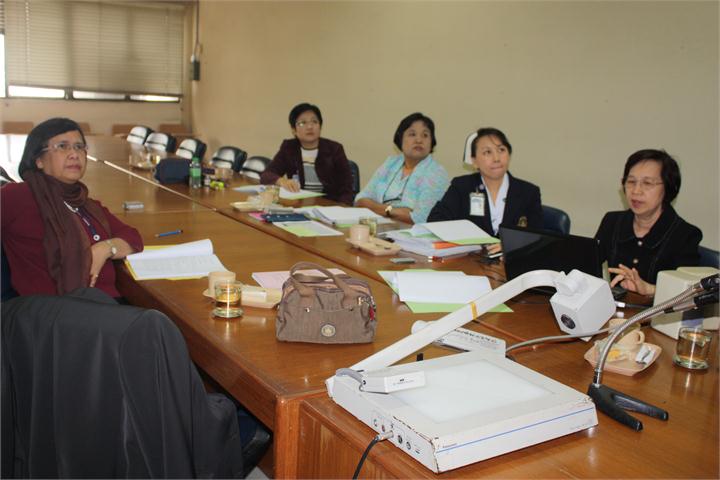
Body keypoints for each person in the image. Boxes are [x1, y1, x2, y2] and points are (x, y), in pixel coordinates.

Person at [1, 118, 143, 298]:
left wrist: (105, 248)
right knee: (150, 316)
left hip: (100, 303)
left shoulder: (86, 204)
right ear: (39, 160)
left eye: (79, 147)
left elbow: (132, 237)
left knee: (151, 313)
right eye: (62, 146)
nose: (74, 154)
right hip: (49, 306)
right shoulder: (18, 196)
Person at [595, 149, 702, 296]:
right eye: (631, 182)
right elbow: (590, 268)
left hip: (658, 311)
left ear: (668, 188)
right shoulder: (612, 221)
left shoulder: (685, 235)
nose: (636, 190)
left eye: (647, 183)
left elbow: (689, 294)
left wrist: (650, 289)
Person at [427, 127, 542, 253]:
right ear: (474, 161)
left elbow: (537, 235)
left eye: (501, 150)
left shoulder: (528, 192)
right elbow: (436, 220)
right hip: (470, 259)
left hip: (512, 260)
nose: (496, 158)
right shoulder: (462, 186)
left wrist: (510, 245)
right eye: (487, 152)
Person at [355, 112, 449, 224]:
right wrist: (391, 210)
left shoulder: (437, 173)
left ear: (431, 142)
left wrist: (377, 208)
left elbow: (419, 218)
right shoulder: (391, 163)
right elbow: (360, 200)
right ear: (400, 139)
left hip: (411, 233)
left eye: (425, 135)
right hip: (379, 226)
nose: (419, 140)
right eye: (412, 134)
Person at [260, 103, 354, 204]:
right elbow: (266, 175)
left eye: (314, 122)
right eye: (302, 123)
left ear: (320, 127)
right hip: (298, 205)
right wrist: (282, 181)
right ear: (294, 130)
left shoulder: (335, 149)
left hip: (328, 205)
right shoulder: (289, 148)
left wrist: (341, 208)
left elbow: (347, 189)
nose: (309, 127)